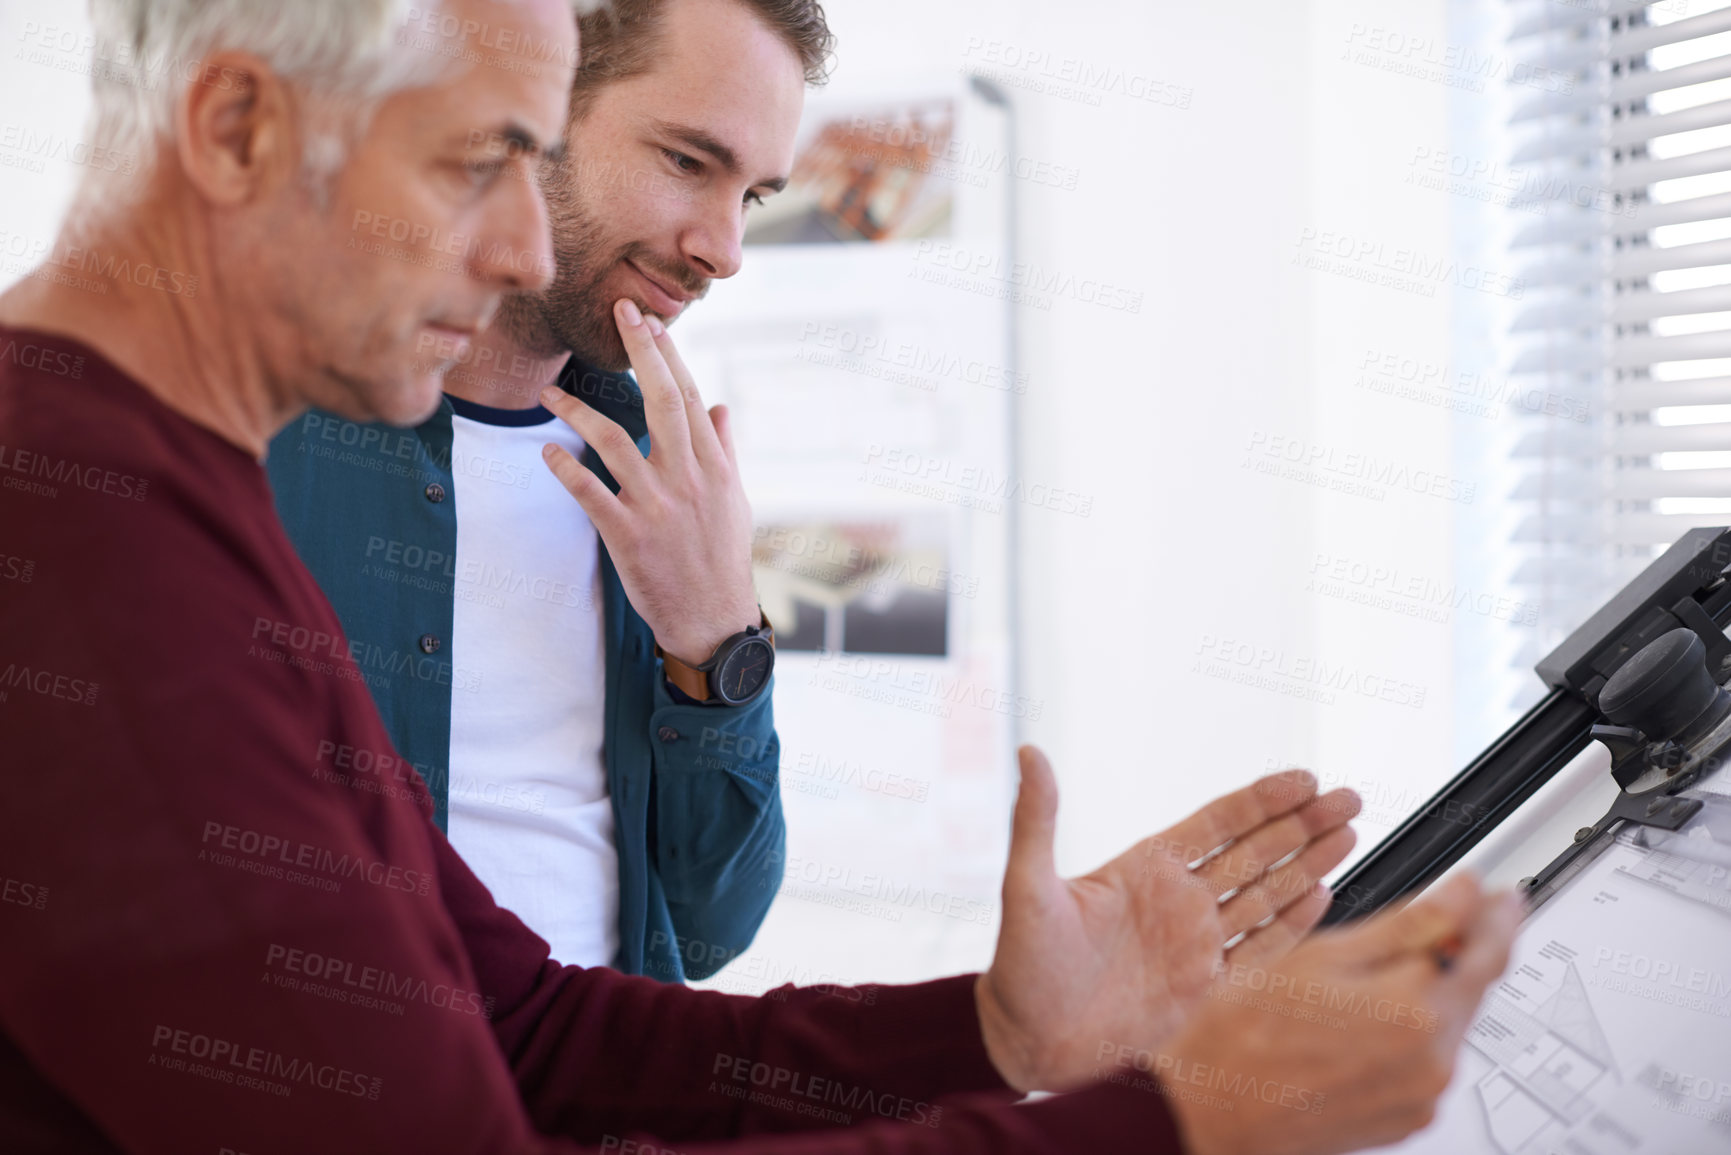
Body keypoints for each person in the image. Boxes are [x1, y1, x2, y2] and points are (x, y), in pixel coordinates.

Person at [0, 1, 1523, 1152]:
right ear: (239, 129)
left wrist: (993, 1028)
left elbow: (523, 1021)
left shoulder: (169, 506)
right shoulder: (79, 557)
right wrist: (1177, 1119)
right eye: (485, 163)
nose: (526, 242)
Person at [263, 0, 830, 985]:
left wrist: (717, 634)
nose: (724, 248)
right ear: (533, 110)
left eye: (755, 198)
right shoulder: (251, 420)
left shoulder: (665, 476)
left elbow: (707, 925)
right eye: (689, 163)